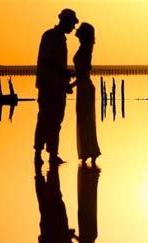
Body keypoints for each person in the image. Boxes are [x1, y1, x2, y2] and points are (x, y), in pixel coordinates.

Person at [34, 9, 78, 165]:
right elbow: (48, 61)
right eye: (72, 24)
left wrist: (65, 77)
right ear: (64, 21)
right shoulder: (49, 36)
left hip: (58, 87)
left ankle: (53, 154)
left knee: (56, 121)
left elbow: (56, 64)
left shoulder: (60, 39)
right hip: (47, 87)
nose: (73, 28)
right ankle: (38, 153)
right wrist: (64, 71)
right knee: (44, 119)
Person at [70, 23, 101, 165]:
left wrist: (71, 83)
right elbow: (81, 72)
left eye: (80, 31)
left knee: (86, 120)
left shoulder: (85, 49)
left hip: (85, 88)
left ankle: (90, 152)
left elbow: (83, 71)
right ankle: (88, 152)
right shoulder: (84, 48)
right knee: (84, 120)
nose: (77, 32)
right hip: (83, 87)